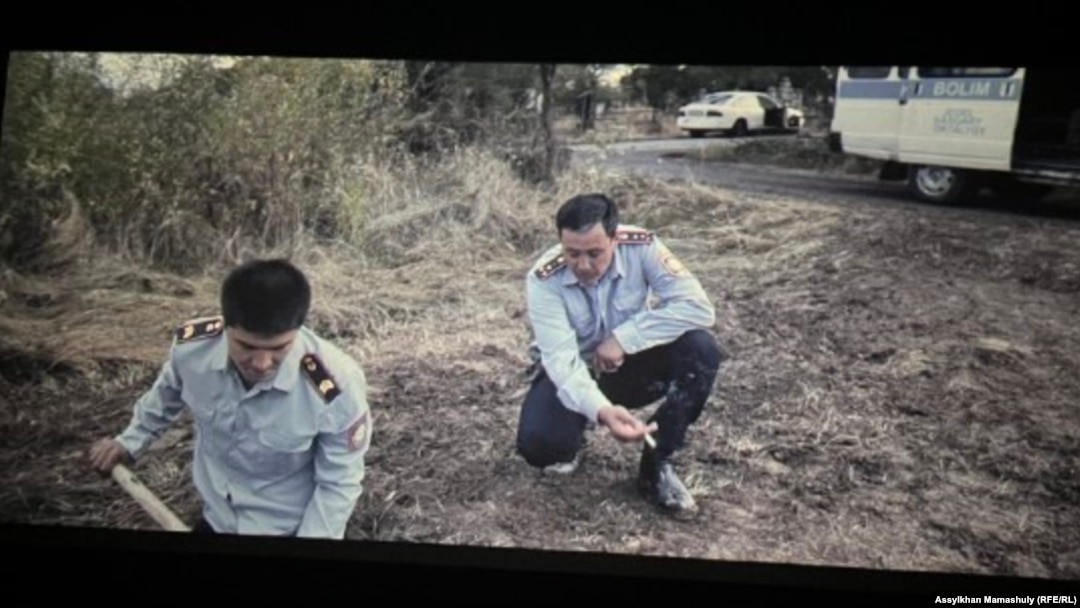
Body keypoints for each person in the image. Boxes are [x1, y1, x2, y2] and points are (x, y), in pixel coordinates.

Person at [88, 259, 371, 538]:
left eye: (278, 348)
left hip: (289, 530)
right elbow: (166, 394)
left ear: (298, 330)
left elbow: (339, 483)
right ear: (225, 326)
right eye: (246, 346)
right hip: (217, 518)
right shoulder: (193, 349)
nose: (261, 363)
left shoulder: (335, 387)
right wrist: (129, 441)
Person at [516, 193, 724, 513]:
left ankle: (658, 464)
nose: (583, 265)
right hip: (576, 371)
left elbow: (697, 307)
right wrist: (602, 411)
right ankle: (579, 423)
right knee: (541, 448)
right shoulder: (543, 279)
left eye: (595, 253)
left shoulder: (642, 247)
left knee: (701, 349)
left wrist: (624, 338)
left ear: (615, 238)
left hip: (629, 366)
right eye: (572, 253)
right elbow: (561, 361)